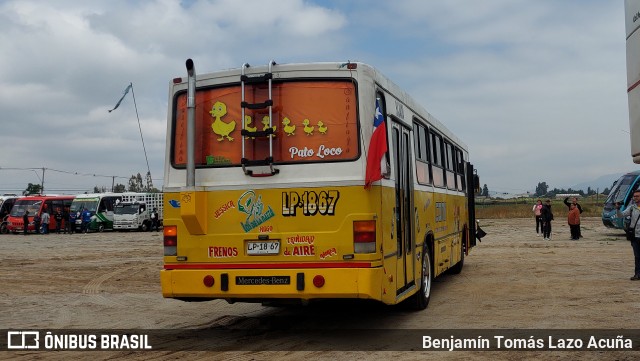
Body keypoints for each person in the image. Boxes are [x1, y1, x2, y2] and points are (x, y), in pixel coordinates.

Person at [617, 190, 640, 280]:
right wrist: (618, 209)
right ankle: (637, 274)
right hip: (635, 236)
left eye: (637, 196)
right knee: (637, 256)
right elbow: (621, 215)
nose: (635, 198)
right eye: (634, 196)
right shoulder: (631, 208)